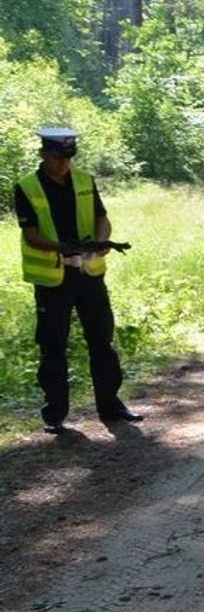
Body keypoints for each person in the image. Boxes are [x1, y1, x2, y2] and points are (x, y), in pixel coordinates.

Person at [14, 126, 143, 434]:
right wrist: (61, 247)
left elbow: (102, 218)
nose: (63, 164)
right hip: (54, 279)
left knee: (102, 342)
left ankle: (111, 406)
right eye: (57, 157)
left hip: (89, 274)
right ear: (43, 153)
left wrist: (101, 240)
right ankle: (55, 415)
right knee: (53, 346)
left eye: (68, 158)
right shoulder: (27, 187)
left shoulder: (85, 181)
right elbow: (31, 234)